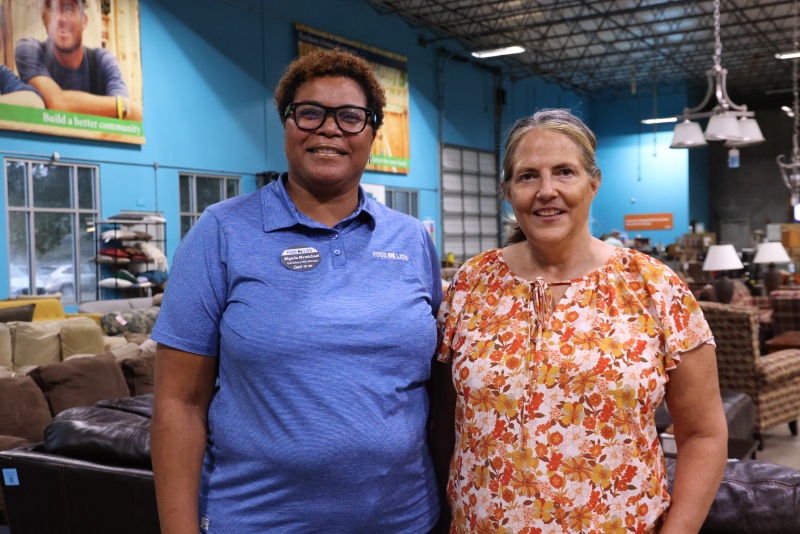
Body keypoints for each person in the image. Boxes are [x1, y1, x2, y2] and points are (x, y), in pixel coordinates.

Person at [151, 48, 443, 533]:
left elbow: (435, 390)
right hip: (259, 518)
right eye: (309, 113)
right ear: (286, 124)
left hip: (405, 519)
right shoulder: (222, 232)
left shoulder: (410, 239)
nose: (329, 129)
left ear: (373, 133)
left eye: (350, 117)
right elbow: (179, 403)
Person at [431, 109, 727, 533]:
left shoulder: (655, 288)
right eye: (528, 176)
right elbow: (445, 420)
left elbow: (703, 434)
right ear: (508, 191)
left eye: (564, 172)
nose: (546, 190)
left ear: (594, 183)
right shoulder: (470, 286)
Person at [14, 0, 142, 121]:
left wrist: (124, 109)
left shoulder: (103, 61)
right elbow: (57, 103)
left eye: (70, 9)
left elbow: (128, 119)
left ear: (84, 21)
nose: (62, 19)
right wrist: (120, 106)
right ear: (44, 18)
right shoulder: (29, 50)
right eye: (53, 9)